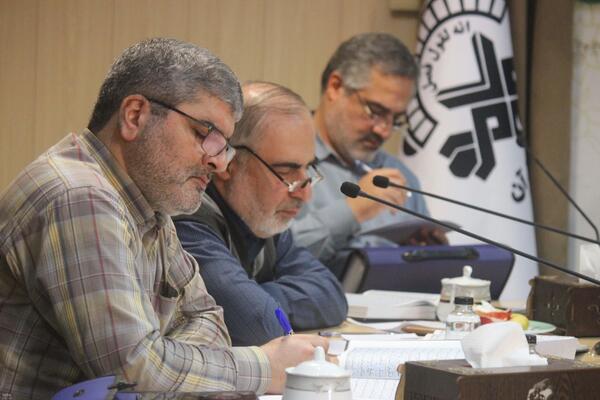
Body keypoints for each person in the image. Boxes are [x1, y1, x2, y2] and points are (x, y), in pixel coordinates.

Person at [0, 38, 328, 399]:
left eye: (223, 144)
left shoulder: (148, 202)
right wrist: (263, 368)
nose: (219, 161)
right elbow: (132, 369)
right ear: (135, 116)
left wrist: (165, 360)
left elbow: (210, 320)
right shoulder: (79, 195)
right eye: (205, 134)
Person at [174, 81, 348, 346]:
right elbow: (257, 325)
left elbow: (331, 297)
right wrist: (254, 304)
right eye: (286, 171)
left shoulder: (261, 219)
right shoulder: (188, 219)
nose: (305, 194)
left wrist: (256, 296)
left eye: (308, 169)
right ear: (227, 162)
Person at [291, 32, 447, 268]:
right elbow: (267, 258)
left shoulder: (400, 176)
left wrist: (431, 254)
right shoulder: (282, 162)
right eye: (375, 111)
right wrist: (351, 211)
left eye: (396, 119)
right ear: (336, 87)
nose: (384, 131)